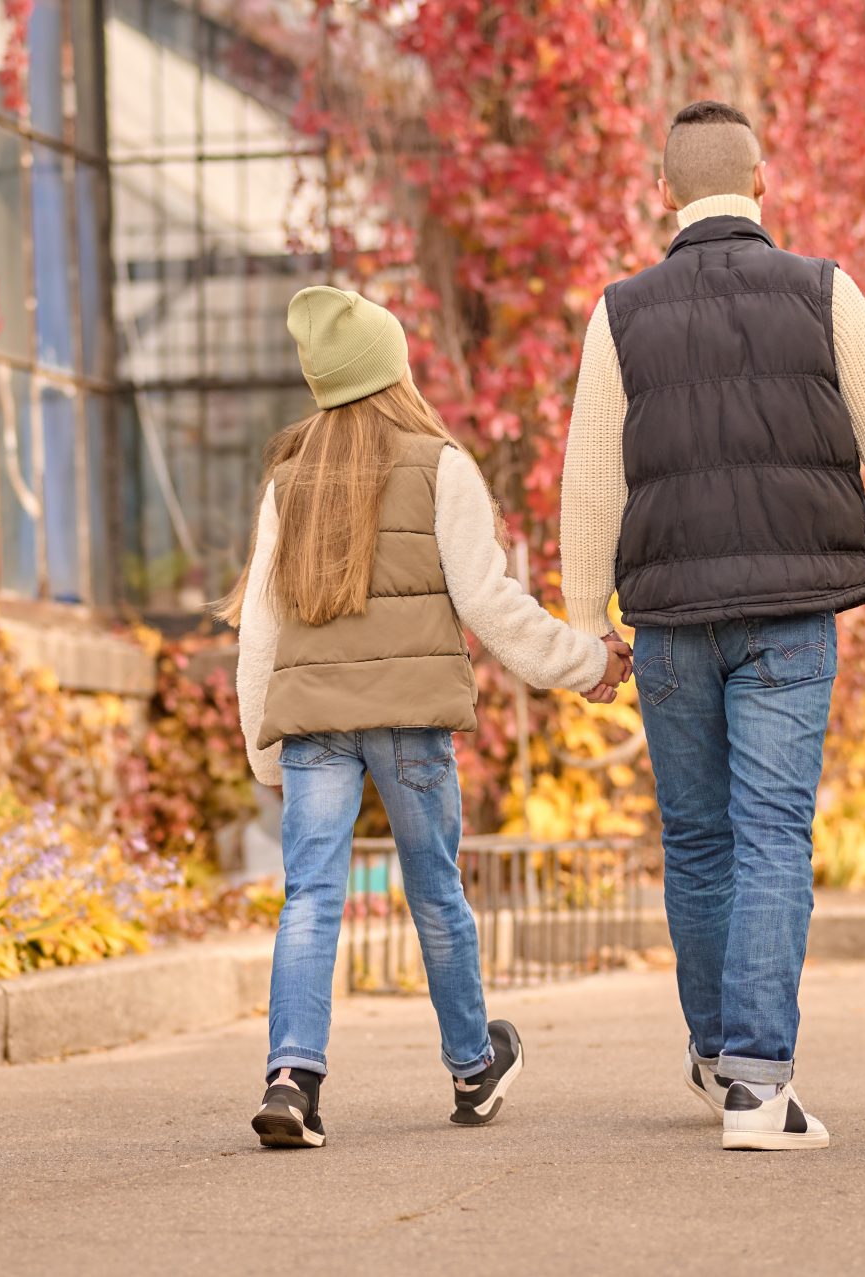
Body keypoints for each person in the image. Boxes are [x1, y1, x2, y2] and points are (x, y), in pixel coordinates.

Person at [559, 101, 865, 1152]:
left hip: (665, 625)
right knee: (771, 836)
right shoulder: (823, 291)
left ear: (666, 193)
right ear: (763, 182)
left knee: (699, 840)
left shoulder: (618, 314)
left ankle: (717, 1057)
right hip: (790, 620)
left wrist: (585, 629)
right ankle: (758, 1083)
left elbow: (588, 484)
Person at [224, 285, 633, 1149]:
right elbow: (492, 604)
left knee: (310, 897)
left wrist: (265, 745)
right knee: (437, 891)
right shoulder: (439, 465)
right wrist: (588, 662)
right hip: (410, 724)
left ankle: (292, 1079)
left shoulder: (287, 480)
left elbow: (259, 624)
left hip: (314, 727)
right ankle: (473, 1066)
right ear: (393, 371)